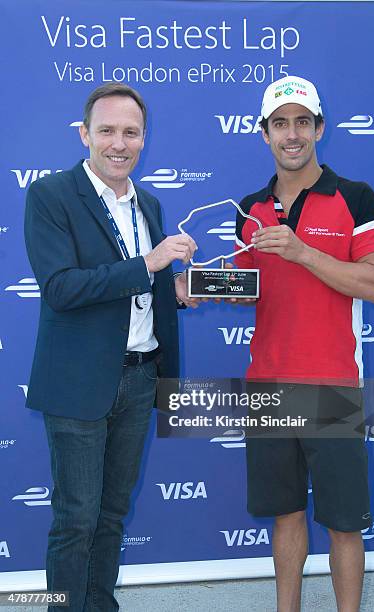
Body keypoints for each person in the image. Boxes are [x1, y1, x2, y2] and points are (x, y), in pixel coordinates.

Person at [24, 82, 197, 612]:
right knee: (74, 519)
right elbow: (61, 287)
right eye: (107, 131)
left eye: (131, 132)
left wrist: (178, 292)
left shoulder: (149, 203)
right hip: (78, 383)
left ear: (144, 138)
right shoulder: (51, 195)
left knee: (112, 513)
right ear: (85, 135)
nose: (119, 143)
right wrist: (149, 264)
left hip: (141, 376)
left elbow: (139, 290)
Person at [234, 76, 374, 612]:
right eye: (281, 124)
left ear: (319, 129)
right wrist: (194, 286)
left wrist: (303, 253)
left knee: (344, 522)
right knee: (285, 514)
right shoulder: (250, 207)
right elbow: (246, 287)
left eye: (303, 122)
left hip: (331, 384)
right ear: (265, 135)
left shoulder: (356, 196)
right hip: (268, 387)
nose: (292, 134)